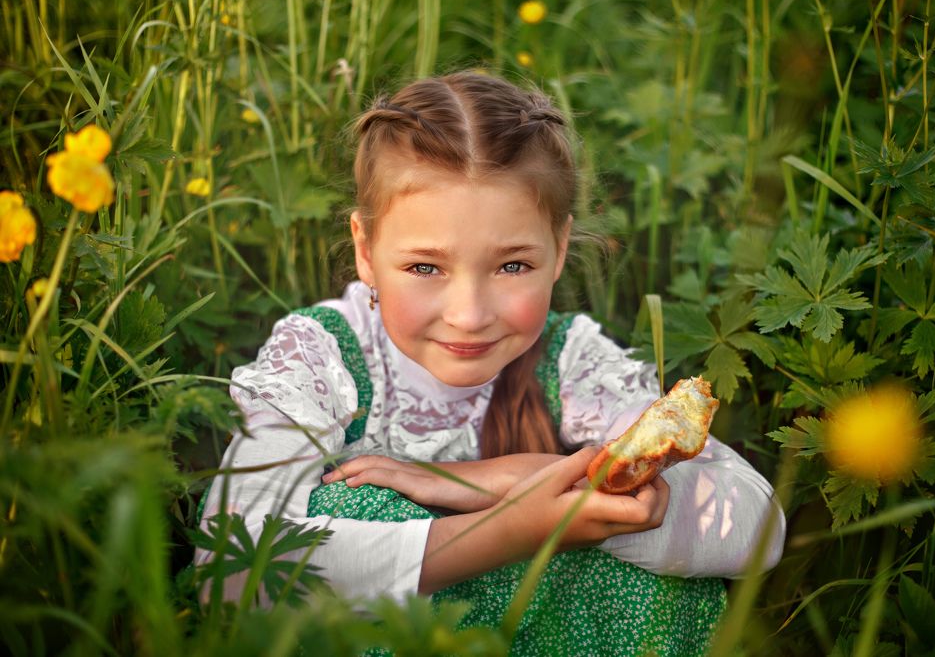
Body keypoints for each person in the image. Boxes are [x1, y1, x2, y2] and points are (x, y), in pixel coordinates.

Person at [196, 71, 785, 655]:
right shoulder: (325, 357)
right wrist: (506, 531)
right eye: (425, 267)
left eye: (511, 266)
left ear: (559, 248)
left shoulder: (570, 361)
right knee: (351, 506)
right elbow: (231, 569)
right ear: (366, 250)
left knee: (656, 534)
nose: (470, 315)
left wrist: (492, 483)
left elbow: (760, 527)